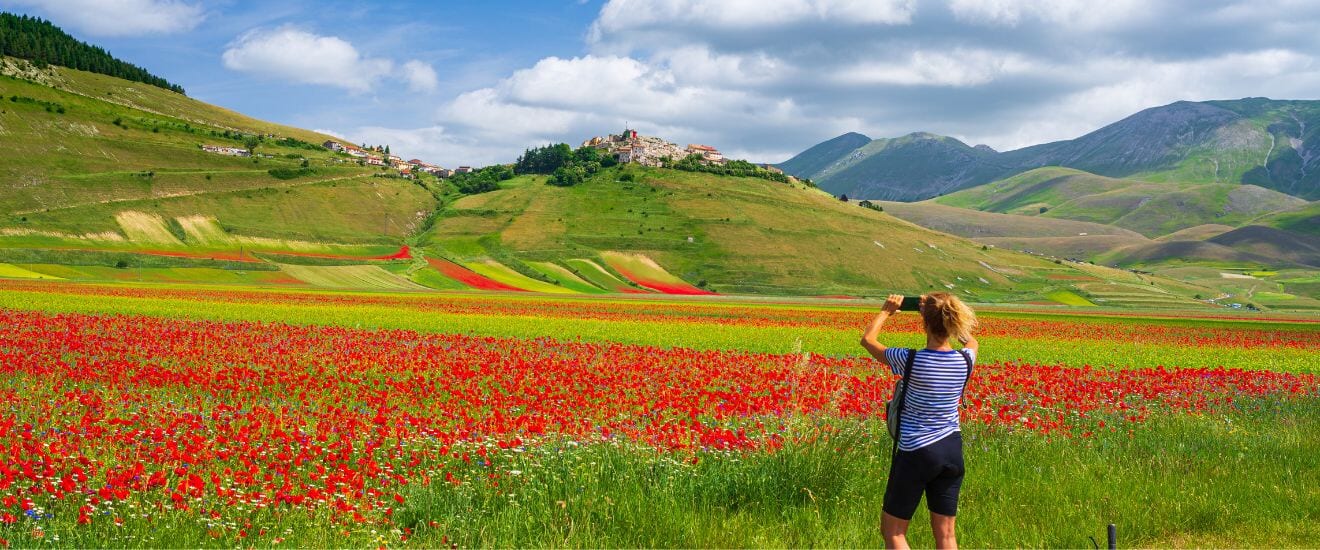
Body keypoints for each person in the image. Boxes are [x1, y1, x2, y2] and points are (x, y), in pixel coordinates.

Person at [859, 292, 979, 550]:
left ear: (924, 323)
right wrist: (947, 317)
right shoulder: (964, 360)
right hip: (951, 451)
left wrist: (886, 311)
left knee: (893, 531)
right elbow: (972, 342)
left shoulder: (911, 360)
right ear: (954, 322)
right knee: (946, 535)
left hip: (917, 452)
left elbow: (868, 340)